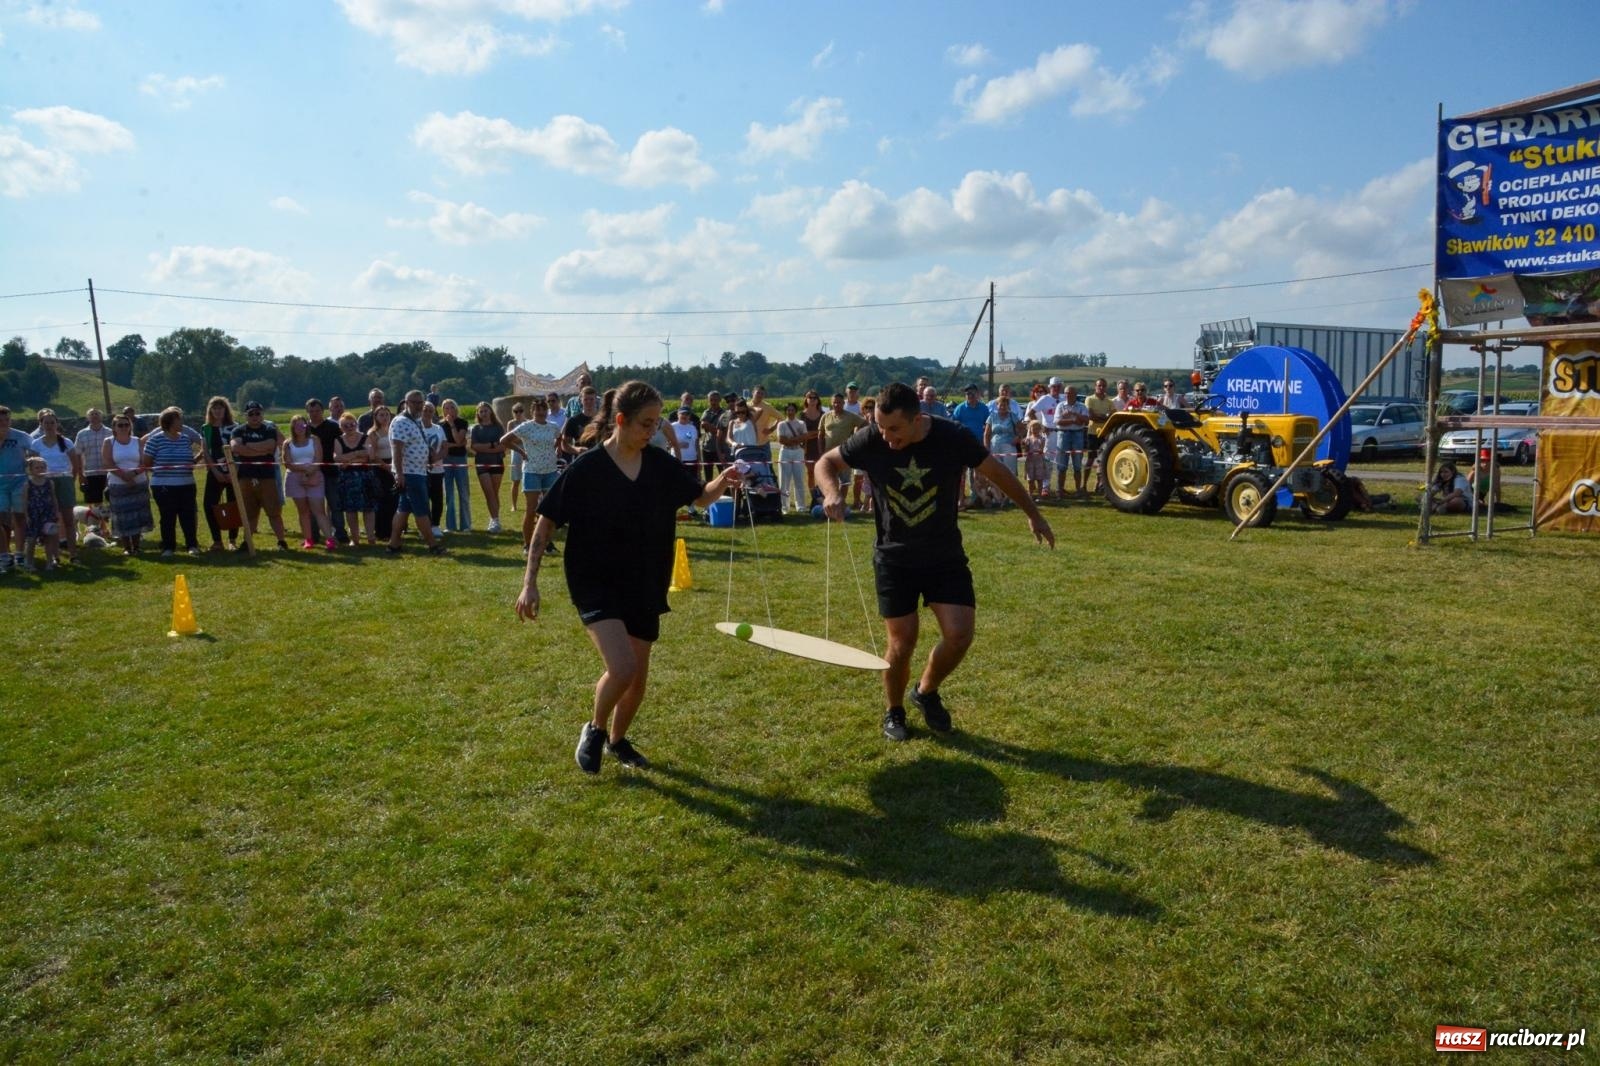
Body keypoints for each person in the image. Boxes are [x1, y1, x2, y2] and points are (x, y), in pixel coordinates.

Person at [515, 381, 744, 774]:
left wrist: (722, 480)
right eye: (645, 424)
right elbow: (546, 521)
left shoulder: (659, 464)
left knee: (637, 681)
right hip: (595, 580)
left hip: (644, 580)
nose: (652, 432)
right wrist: (529, 582)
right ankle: (596, 728)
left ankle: (618, 742)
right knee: (622, 668)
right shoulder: (587, 468)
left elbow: (700, 497)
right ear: (620, 421)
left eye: (656, 424)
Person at [815, 382, 1054, 742]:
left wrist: (1033, 514)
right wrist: (832, 491)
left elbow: (998, 472)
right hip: (894, 558)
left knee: (959, 636)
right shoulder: (871, 439)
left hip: (944, 556)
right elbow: (825, 463)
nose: (886, 436)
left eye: (894, 428)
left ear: (917, 419)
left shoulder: (951, 437)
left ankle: (925, 692)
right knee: (902, 643)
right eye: (881, 427)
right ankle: (894, 711)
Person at [502, 396, 562, 554]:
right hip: (531, 471)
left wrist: (558, 449)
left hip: (550, 471)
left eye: (544, 408)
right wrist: (521, 452)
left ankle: (548, 544)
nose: (541, 412)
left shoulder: (553, 426)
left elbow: (559, 437)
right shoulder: (526, 427)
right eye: (538, 409)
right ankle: (527, 544)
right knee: (531, 510)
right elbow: (504, 440)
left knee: (548, 511)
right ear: (532, 411)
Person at [387, 390, 445, 555]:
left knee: (403, 509)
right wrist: (399, 474)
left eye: (420, 402)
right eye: (414, 402)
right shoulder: (400, 422)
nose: (418, 405)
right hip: (409, 473)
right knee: (421, 510)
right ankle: (432, 545)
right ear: (406, 403)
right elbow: (397, 449)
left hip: (418, 472)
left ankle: (393, 544)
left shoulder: (416, 420)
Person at [141, 406, 203, 557]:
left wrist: (197, 459)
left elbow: (192, 457)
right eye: (179, 419)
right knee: (168, 516)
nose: (182, 422)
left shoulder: (185, 439)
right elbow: (147, 462)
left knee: (188, 516)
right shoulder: (155, 440)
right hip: (163, 486)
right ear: (169, 422)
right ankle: (168, 547)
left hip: (187, 484)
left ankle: (192, 545)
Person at [230, 401, 291, 550]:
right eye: (251, 413)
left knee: (274, 511)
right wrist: (260, 450)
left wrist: (248, 446)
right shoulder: (238, 430)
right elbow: (236, 448)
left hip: (267, 477)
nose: (255, 416)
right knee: (249, 513)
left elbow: (271, 445)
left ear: (262, 414)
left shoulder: (269, 428)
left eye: (258, 413)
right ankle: (247, 543)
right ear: (246, 415)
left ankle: (281, 542)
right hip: (245, 477)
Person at [30, 409, 80, 562]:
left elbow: (75, 464)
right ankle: (54, 555)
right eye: (46, 423)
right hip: (45, 483)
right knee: (51, 521)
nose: (50, 425)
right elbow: (32, 465)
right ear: (41, 425)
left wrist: (70, 480)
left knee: (68, 520)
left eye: (52, 422)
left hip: (64, 481)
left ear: (57, 424)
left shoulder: (66, 442)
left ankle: (73, 554)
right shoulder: (36, 444)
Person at [102, 411, 153, 556]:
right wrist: (124, 476)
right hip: (118, 484)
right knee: (122, 516)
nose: (124, 427)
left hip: (139, 482)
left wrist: (134, 474)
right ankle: (126, 547)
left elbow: (145, 462)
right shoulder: (108, 442)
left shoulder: (137, 441)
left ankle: (136, 546)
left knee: (137, 514)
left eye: (126, 425)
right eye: (120, 425)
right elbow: (107, 462)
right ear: (114, 427)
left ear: (130, 426)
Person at [282, 414, 336, 550]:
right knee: (303, 511)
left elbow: (318, 459)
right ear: (292, 427)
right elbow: (287, 463)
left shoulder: (314, 440)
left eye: (303, 425)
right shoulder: (288, 443)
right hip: (295, 478)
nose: (300, 428)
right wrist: (303, 470)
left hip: (315, 477)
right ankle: (308, 539)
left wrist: (309, 473)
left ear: (306, 426)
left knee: (319, 510)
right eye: (296, 425)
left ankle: (330, 539)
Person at [199, 396, 240, 551]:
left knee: (234, 505)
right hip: (215, 472)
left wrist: (233, 471)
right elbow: (206, 452)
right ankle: (217, 540)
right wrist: (215, 471)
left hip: (233, 472)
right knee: (209, 505)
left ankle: (232, 540)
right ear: (210, 410)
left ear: (226, 409)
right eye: (214, 408)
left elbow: (237, 451)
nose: (217, 411)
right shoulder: (206, 428)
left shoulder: (235, 427)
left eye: (220, 407)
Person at [305, 398, 347, 544]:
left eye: (317, 411)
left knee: (335, 504)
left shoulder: (333, 427)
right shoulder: (304, 429)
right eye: (311, 411)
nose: (314, 414)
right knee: (313, 506)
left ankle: (341, 533)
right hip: (311, 472)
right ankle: (314, 535)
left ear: (323, 411)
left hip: (330, 472)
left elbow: (341, 444)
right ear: (307, 412)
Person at [333, 412, 377, 544]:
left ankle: (370, 537)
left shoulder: (365, 437)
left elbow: (370, 456)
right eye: (345, 426)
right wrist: (358, 454)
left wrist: (350, 457)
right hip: (347, 479)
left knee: (368, 509)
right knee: (350, 510)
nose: (350, 427)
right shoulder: (338, 440)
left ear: (356, 424)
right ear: (341, 427)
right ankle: (355, 539)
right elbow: (337, 458)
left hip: (365, 477)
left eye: (352, 424)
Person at [0, 406, 34, 572]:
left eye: (7, 420)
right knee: (1, 520)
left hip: (19, 482)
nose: (4, 423)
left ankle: (20, 553)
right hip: (0, 485)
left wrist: (31, 462)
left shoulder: (21, 436)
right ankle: (5, 555)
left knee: (19, 518)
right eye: (0, 421)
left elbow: (35, 451)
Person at [951, 384, 992, 509]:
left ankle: (977, 498)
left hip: (978, 445)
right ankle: (960, 500)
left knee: (978, 474)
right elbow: (954, 425)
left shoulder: (984, 408)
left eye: (972, 393)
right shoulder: (959, 409)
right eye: (968, 394)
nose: (970, 396)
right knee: (961, 474)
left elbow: (988, 425)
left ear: (978, 394)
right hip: (963, 444)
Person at [21, 456, 66, 570]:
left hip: (47, 513)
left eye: (42, 467)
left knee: (49, 539)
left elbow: (54, 498)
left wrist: (56, 512)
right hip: (33, 515)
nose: (40, 470)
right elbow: (25, 501)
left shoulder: (49, 483)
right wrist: (26, 515)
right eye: (37, 468)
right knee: (31, 540)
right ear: (31, 470)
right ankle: (29, 562)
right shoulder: (27, 484)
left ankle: (49, 562)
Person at [469, 401, 506, 533]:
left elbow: (503, 446)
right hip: (482, 464)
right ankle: (495, 520)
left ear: (490, 411)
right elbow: (474, 446)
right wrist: (492, 445)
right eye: (481, 411)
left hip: (497, 462)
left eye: (486, 410)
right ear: (478, 413)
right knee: (489, 493)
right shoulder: (476, 429)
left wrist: (486, 448)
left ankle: (495, 519)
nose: (484, 413)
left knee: (494, 493)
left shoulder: (498, 427)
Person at [438, 398, 472, 533]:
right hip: (445, 460)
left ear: (456, 409)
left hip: (460, 459)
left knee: (463, 492)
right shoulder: (439, 425)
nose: (449, 410)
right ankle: (450, 526)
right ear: (443, 410)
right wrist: (457, 444)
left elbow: (459, 440)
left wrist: (452, 425)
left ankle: (466, 525)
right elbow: (442, 444)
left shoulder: (463, 423)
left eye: (452, 407)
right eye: (446, 408)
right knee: (449, 494)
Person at [74, 407, 112, 517]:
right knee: (95, 503)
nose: (94, 416)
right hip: (90, 473)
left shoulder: (110, 432)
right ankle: (97, 528)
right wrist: (80, 474)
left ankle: (113, 526)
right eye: (92, 414)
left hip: (109, 473)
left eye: (97, 414)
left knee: (112, 500)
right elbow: (78, 454)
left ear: (101, 417)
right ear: (88, 417)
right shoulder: (81, 434)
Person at [1054, 385, 1091, 497]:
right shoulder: (1060, 406)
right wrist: (1074, 420)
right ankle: (1060, 490)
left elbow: (1086, 421)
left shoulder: (1082, 406)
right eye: (1066, 393)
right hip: (1063, 435)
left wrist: (1074, 415)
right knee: (1061, 464)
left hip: (1077, 435)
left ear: (1075, 394)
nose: (1068, 395)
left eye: (1070, 393)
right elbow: (1057, 421)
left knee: (1077, 464)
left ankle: (1078, 490)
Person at [983, 394, 1024, 493]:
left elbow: (1023, 428)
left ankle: (1012, 494)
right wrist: (986, 448)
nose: (1002, 407)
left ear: (1008, 406)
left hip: (1009, 446)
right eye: (1000, 405)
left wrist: (1018, 438)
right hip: (994, 446)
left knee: (1010, 471)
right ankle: (998, 495)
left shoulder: (1012, 416)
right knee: (996, 471)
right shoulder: (992, 416)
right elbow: (986, 434)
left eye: (1005, 405)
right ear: (997, 405)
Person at [367, 404, 397, 541]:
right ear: (376, 417)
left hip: (394, 465)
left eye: (387, 415)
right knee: (382, 500)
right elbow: (372, 455)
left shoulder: (394, 429)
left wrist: (395, 465)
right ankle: (381, 531)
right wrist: (385, 466)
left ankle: (393, 530)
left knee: (394, 500)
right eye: (381, 415)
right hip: (380, 468)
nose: (385, 418)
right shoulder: (373, 433)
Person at [1084, 377, 1116, 492]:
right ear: (1095, 387)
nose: (1101, 388)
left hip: (1105, 435)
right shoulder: (1089, 399)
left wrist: (1101, 417)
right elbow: (1091, 416)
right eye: (1099, 386)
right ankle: (1084, 485)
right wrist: (1104, 417)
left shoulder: (1110, 401)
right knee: (1090, 459)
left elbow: (1112, 417)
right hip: (1093, 433)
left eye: (1103, 386)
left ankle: (1099, 485)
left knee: (1103, 460)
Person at [775, 402, 807, 513]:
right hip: (785, 452)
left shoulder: (801, 423)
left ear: (796, 411)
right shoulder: (781, 424)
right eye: (788, 410)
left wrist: (792, 440)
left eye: (792, 410)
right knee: (784, 481)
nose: (790, 412)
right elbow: (781, 440)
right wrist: (796, 439)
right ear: (786, 411)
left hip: (798, 451)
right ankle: (784, 507)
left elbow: (804, 437)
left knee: (799, 479)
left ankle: (801, 506)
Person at [421, 401, 447, 530]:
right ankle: (425, 526)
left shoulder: (438, 428)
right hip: (420, 469)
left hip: (437, 469)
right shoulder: (416, 427)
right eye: (425, 410)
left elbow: (444, 448)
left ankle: (435, 525)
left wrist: (435, 458)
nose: (427, 412)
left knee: (437, 499)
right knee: (423, 499)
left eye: (430, 410)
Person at [799, 390, 825, 490]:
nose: (812, 400)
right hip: (807, 447)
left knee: (821, 472)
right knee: (810, 473)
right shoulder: (802, 415)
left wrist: (811, 434)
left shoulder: (823, 414)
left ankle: (822, 493)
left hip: (820, 446)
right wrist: (816, 433)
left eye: (815, 398)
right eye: (810, 397)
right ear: (806, 399)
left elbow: (824, 431)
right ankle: (813, 494)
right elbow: (802, 434)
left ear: (818, 400)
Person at [505, 402, 526, 513]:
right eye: (516, 411)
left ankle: (530, 504)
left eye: (520, 411)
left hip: (527, 452)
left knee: (528, 479)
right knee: (515, 480)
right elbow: (509, 439)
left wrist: (517, 438)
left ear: (524, 411)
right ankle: (514, 505)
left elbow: (521, 439)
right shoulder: (511, 423)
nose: (518, 413)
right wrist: (520, 438)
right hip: (515, 453)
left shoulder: (528, 423)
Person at [1023, 420, 1049, 499]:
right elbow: (1025, 451)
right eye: (1033, 428)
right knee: (1030, 480)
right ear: (1030, 429)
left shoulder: (1042, 439)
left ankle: (1039, 496)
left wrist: (1039, 451)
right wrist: (1025, 446)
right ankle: (1030, 495)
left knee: (1039, 479)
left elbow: (1041, 449)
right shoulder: (1028, 439)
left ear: (1040, 429)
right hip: (1030, 461)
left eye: (1037, 428)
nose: (1035, 430)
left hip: (1039, 461)